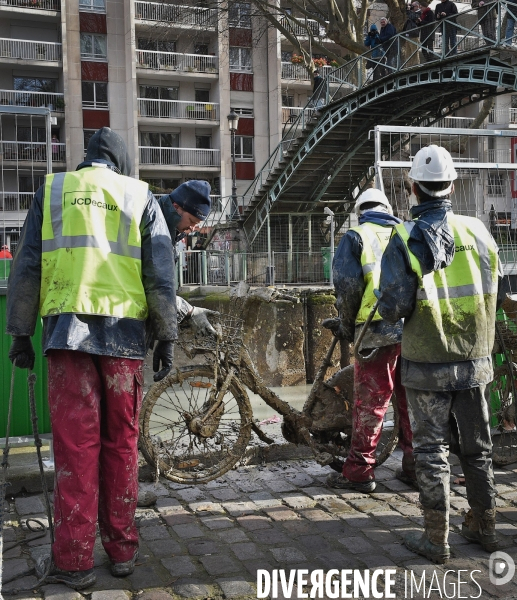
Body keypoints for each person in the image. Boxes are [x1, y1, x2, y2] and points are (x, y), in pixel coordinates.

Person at [6, 127, 177, 589]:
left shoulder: (53, 190)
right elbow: (160, 273)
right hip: (124, 339)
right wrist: (166, 337)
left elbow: (27, 264)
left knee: (75, 450)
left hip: (67, 336)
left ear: (86, 159)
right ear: (120, 162)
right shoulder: (139, 196)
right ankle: (122, 552)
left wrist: (21, 334)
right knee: (121, 446)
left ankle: (75, 561)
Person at [377, 145, 503, 563]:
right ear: (451, 186)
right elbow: (495, 291)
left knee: (432, 451)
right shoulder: (480, 231)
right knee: (478, 447)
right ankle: (485, 526)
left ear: (412, 188)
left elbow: (393, 306)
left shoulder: (404, 238)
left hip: (427, 362)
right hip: (475, 360)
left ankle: (437, 537)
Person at [325, 188, 415, 492]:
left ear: (359, 211)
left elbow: (348, 287)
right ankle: (416, 466)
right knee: (411, 401)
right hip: (414, 328)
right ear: (387, 208)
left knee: (371, 404)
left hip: (376, 331)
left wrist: (347, 327)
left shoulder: (356, 236)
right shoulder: (407, 233)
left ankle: (360, 470)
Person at [158, 181, 218, 336]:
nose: (192, 228)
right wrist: (188, 310)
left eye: (196, 224)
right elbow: (155, 285)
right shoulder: (157, 231)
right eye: (191, 221)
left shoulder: (170, 231)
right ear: (176, 207)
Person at [402, 2, 421, 67]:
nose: (412, 7)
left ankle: (416, 65)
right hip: (408, 35)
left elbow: (412, 17)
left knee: (414, 52)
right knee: (408, 53)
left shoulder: (419, 12)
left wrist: (408, 10)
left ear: (417, 6)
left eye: (413, 6)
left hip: (414, 35)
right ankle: (408, 66)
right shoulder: (411, 13)